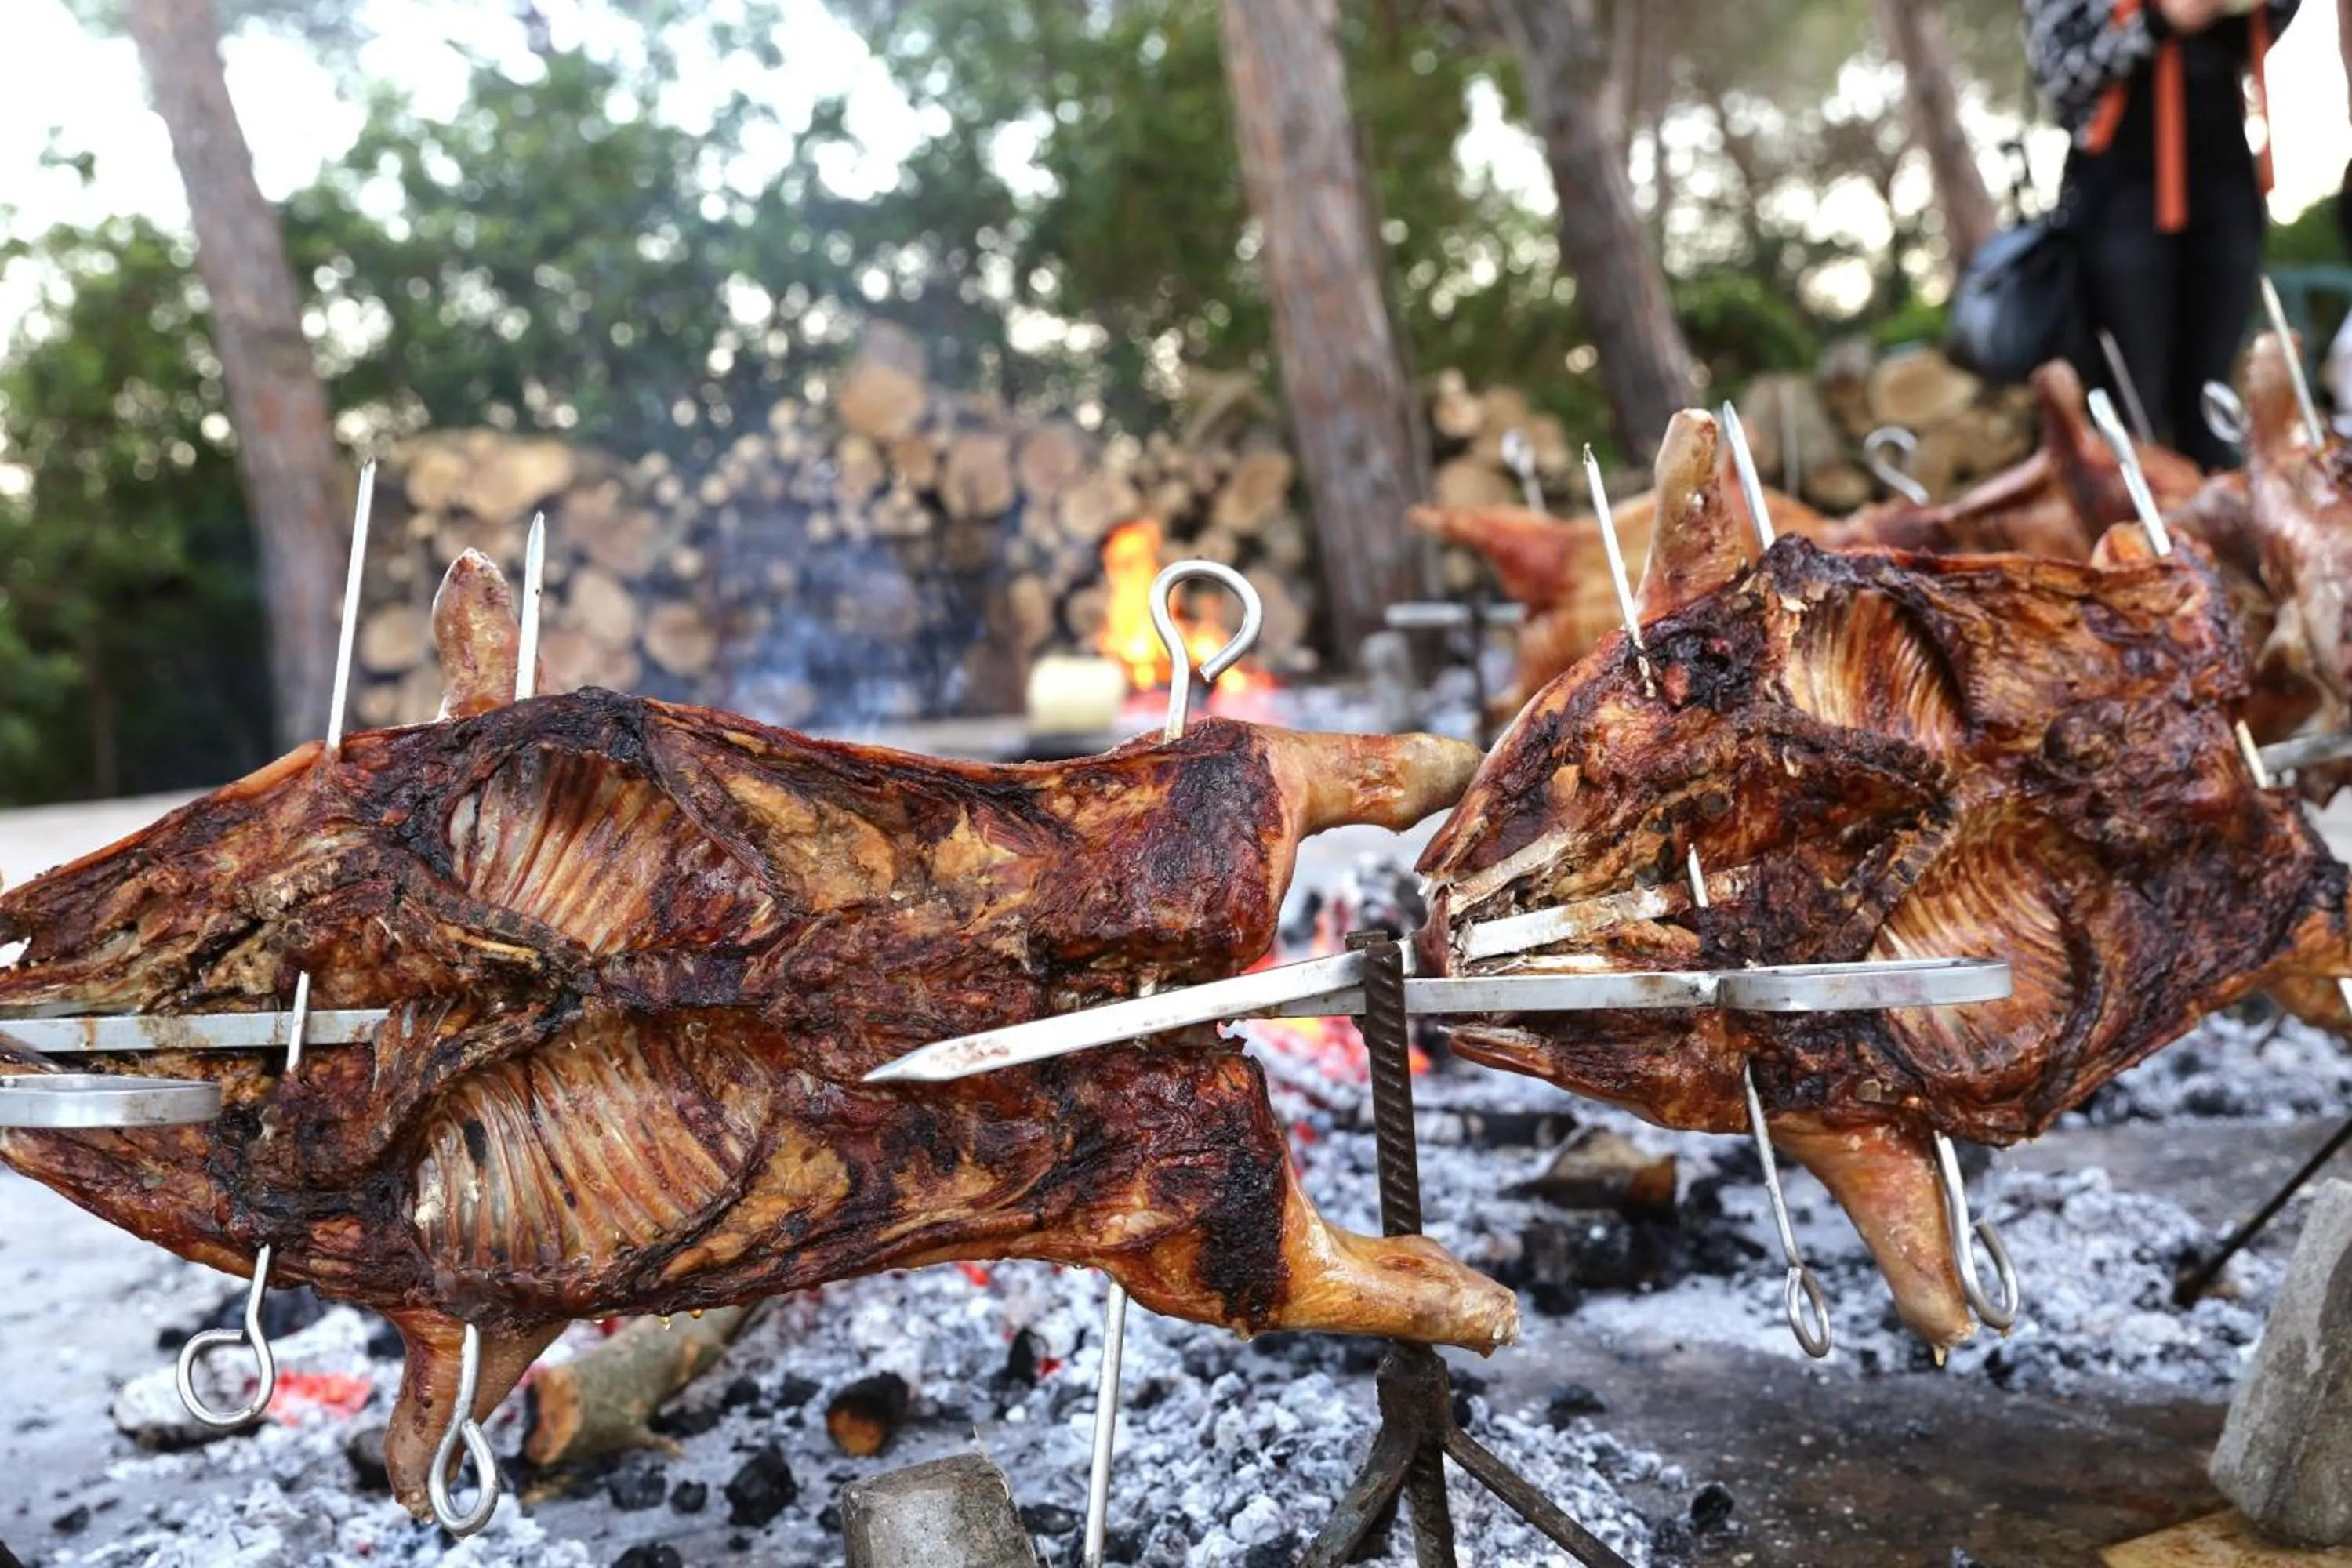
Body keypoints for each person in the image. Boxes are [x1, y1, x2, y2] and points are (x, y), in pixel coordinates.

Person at [2024, 0, 2301, 468]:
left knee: (2210, 405)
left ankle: (2213, 527)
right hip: (2121, 198)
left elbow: (2272, 20)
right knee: (2133, 406)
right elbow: (2058, 74)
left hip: (2225, 181)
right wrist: (2158, 19)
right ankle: (2129, 531)